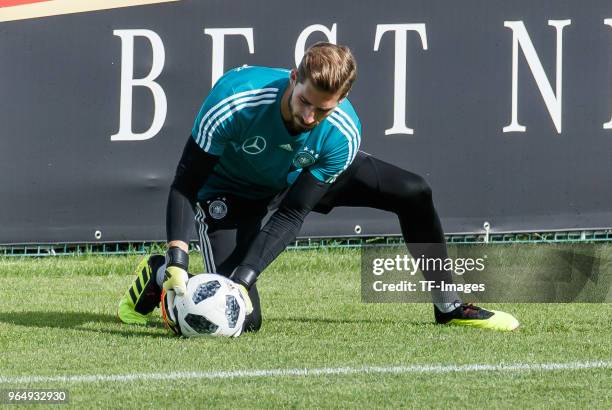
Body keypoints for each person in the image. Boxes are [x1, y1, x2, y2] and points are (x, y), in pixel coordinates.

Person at [118, 42, 519, 332]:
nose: (309, 116)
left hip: (294, 179)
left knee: (414, 191)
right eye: (304, 101)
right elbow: (186, 183)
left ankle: (448, 306)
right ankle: (160, 278)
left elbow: (293, 212)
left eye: (323, 109)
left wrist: (244, 279)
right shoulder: (235, 101)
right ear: (294, 78)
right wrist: (177, 258)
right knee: (246, 321)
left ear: (341, 101)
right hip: (231, 190)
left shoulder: (341, 134)